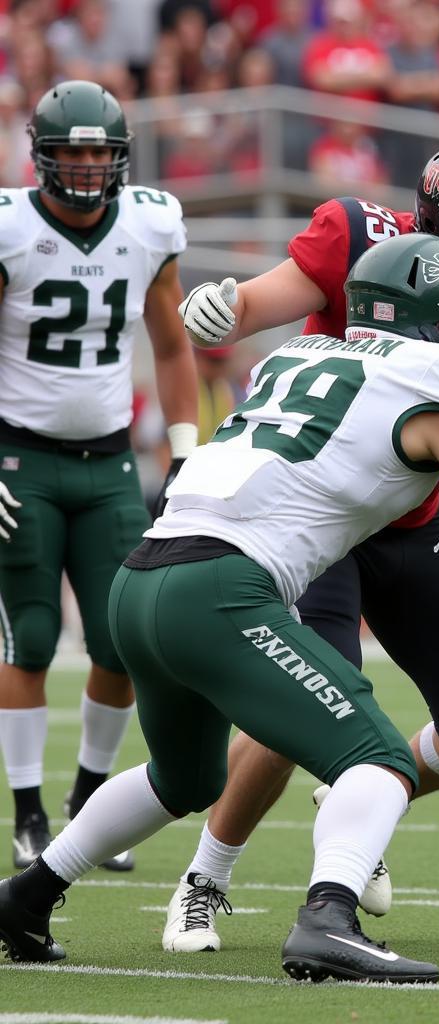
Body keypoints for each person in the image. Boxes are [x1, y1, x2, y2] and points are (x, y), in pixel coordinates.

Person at [0, 232, 439, 981]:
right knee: (381, 757)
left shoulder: (294, 357)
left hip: (145, 579)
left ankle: (27, 895)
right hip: (220, 589)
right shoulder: (433, 378)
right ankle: (329, 918)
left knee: (185, 778)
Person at [162, 139, 439, 952]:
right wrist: (227, 307)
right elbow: (262, 301)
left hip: (412, 519)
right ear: (438, 225)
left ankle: (357, 795)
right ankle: (205, 878)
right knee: (302, 712)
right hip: (320, 524)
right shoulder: (361, 233)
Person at [0, 81, 197, 874]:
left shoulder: (150, 222)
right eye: (72, 151)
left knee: (121, 645)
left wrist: (183, 451)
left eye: (99, 152)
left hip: (111, 458)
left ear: (120, 159)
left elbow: (175, 343)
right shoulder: (12, 228)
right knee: (35, 635)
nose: (86, 166)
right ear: (42, 157)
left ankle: (86, 806)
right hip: (23, 457)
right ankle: (27, 814)